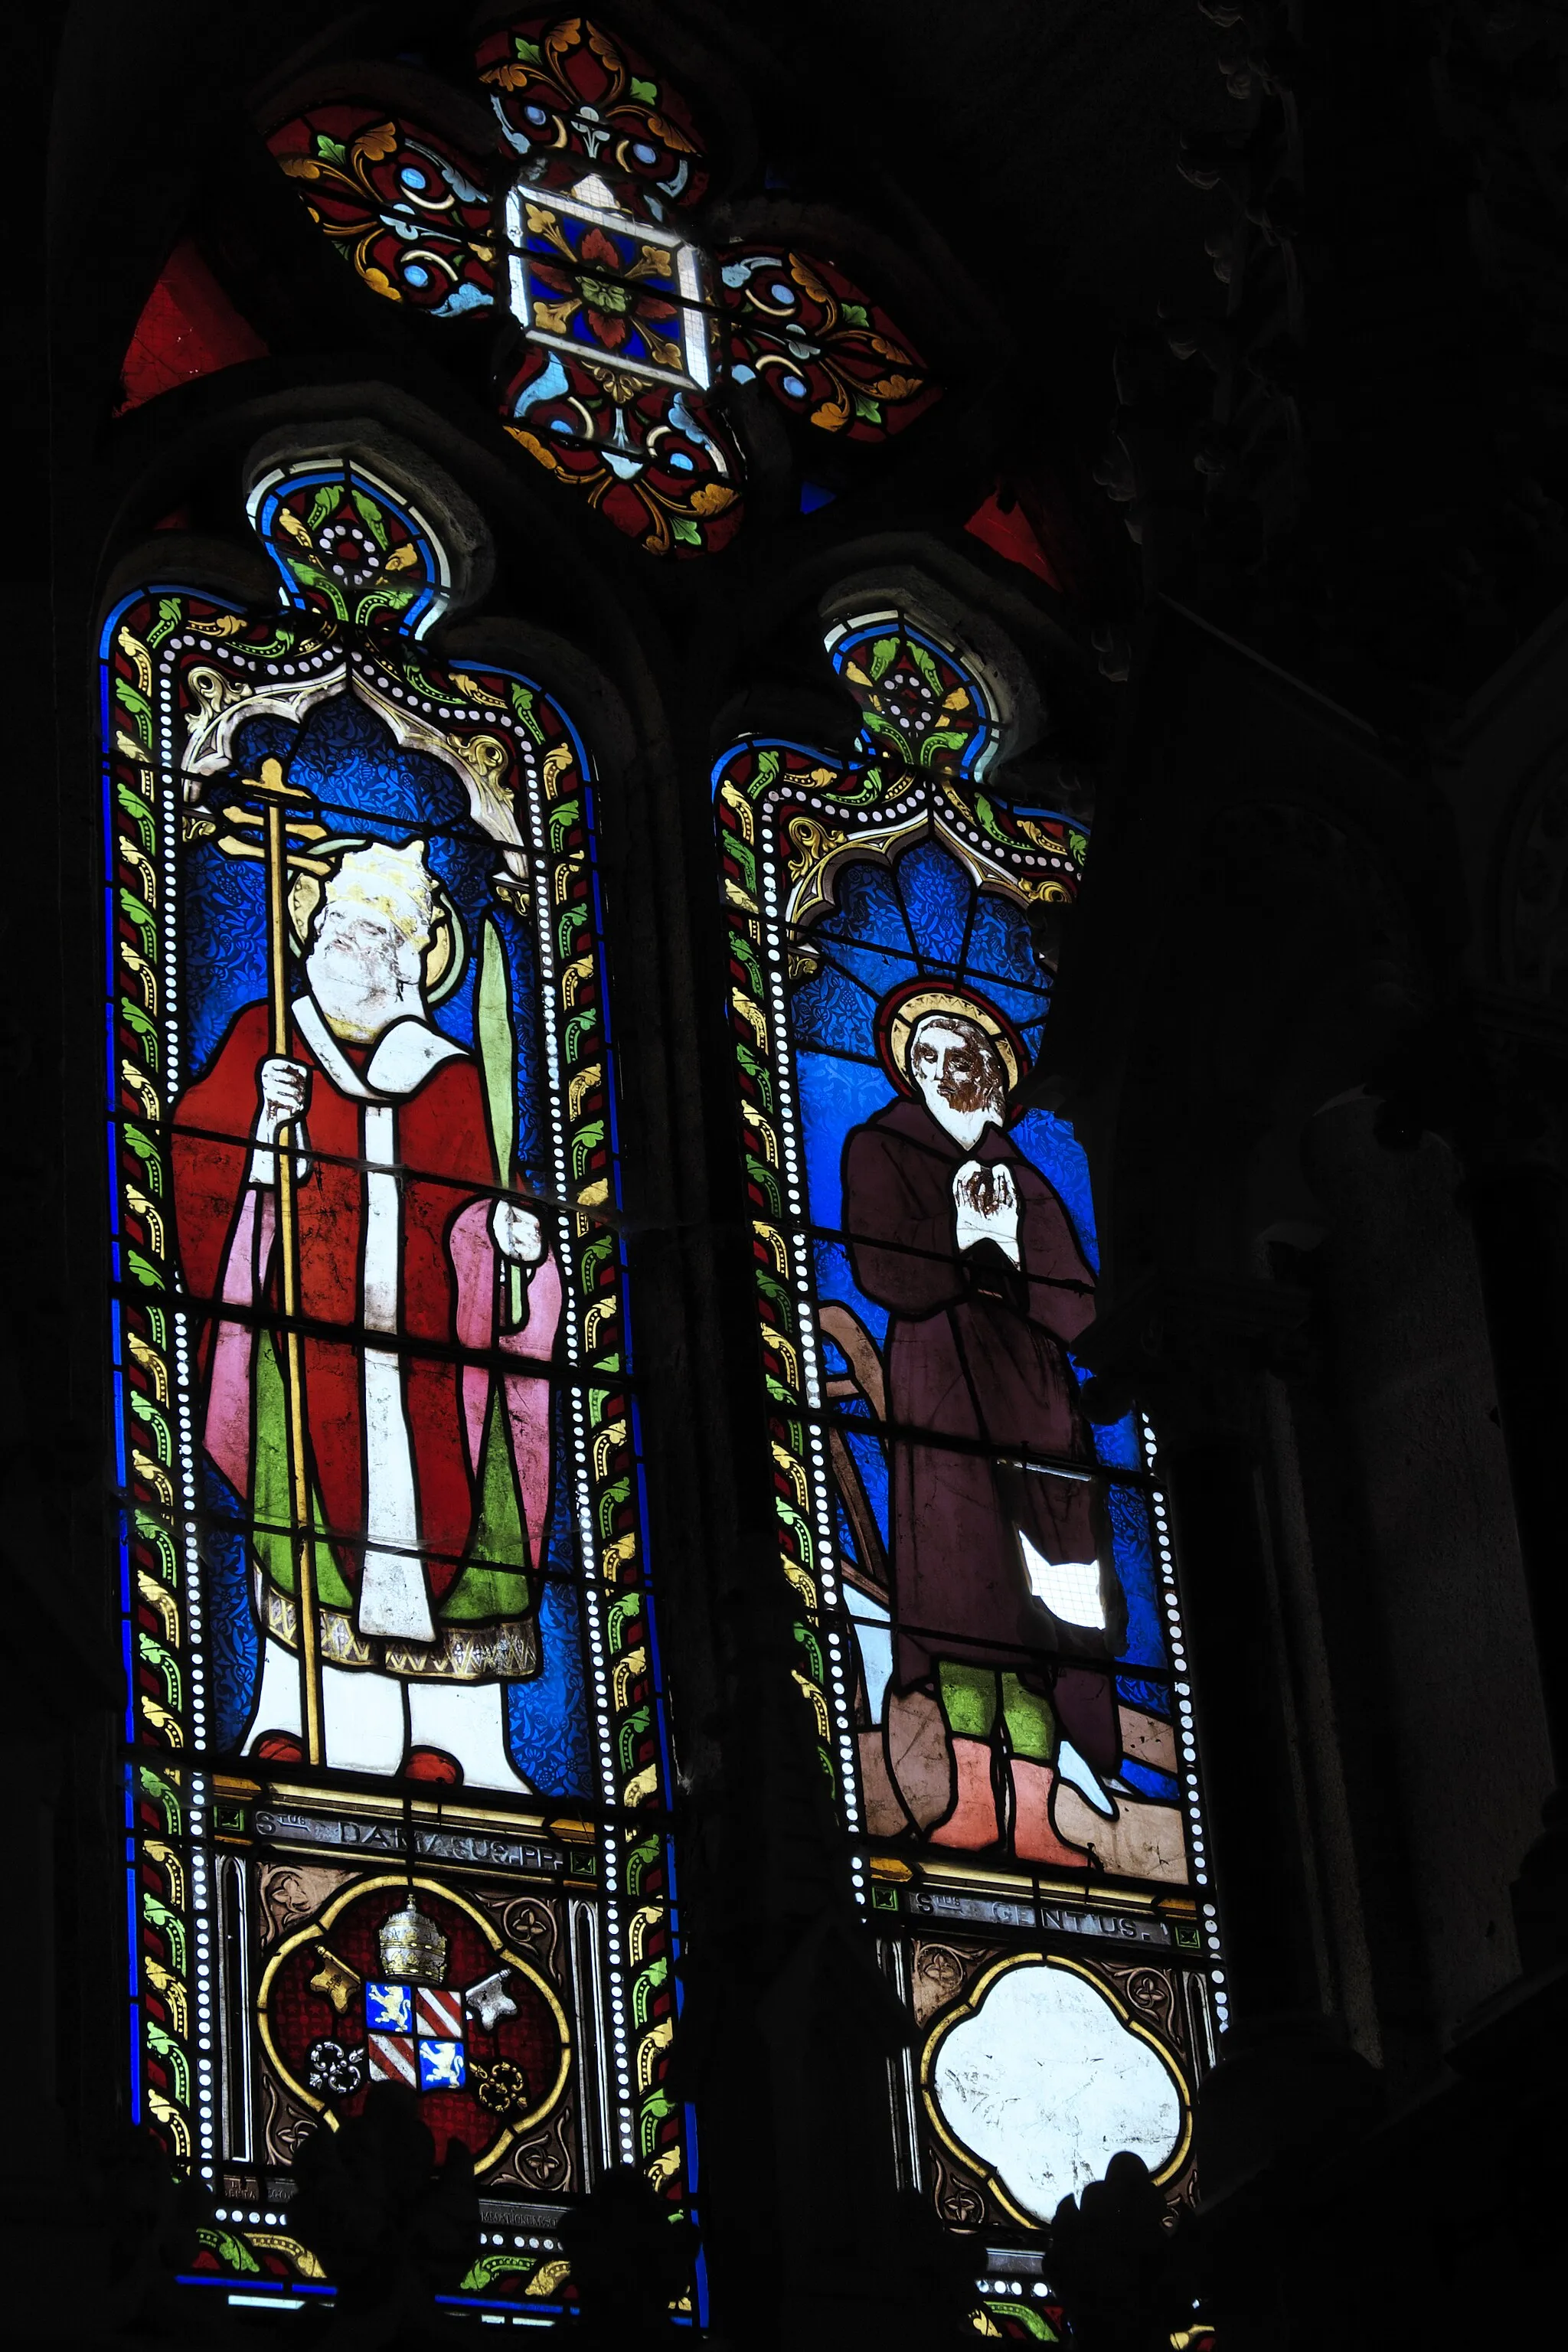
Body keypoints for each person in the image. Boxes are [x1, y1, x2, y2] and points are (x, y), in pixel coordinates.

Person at [172, 836, 559, 1788]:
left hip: (438, 1368)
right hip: (312, 1357)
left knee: (464, 1552)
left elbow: (487, 1213)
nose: (341, 945)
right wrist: (262, 1129)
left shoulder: (456, 1075)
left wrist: (510, 1240)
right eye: (332, 926)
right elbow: (191, 1176)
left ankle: (460, 1747)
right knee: (306, 1542)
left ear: (410, 957)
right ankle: (310, 1729)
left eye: (367, 932)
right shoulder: (268, 1042)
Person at [841, 985, 1125, 1861]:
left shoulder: (1026, 1177)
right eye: (926, 1057)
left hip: (1034, 1412)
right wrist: (964, 1231)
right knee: (964, 1604)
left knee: (1042, 1617)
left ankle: (1035, 1815)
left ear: (992, 1070)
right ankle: (969, 1802)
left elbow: (1081, 1306)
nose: (944, 1070)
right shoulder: (878, 1149)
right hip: (941, 1401)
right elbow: (879, 1267)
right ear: (908, 1070)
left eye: (962, 1055)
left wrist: (1008, 1248)